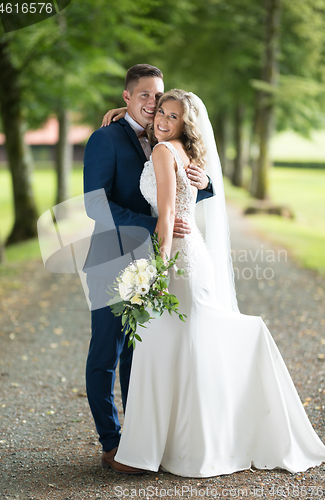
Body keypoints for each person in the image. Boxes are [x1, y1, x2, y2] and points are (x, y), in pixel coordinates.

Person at [106, 89, 325, 477]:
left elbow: (168, 214)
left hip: (176, 259)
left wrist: (156, 267)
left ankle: (151, 451)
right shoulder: (186, 153)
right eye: (161, 113)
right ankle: (190, 444)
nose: (162, 121)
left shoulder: (162, 152)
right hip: (195, 254)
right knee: (187, 344)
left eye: (173, 117)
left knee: (165, 347)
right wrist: (116, 113)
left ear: (184, 123)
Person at [83, 65, 214, 475]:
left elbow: (194, 186)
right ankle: (112, 442)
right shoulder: (106, 137)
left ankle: (140, 439)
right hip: (113, 259)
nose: (152, 103)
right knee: (107, 353)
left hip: (157, 263)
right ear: (126, 97)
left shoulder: (165, 136)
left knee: (143, 356)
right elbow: (95, 204)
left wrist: (204, 179)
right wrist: (156, 226)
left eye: (157, 96)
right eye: (143, 95)